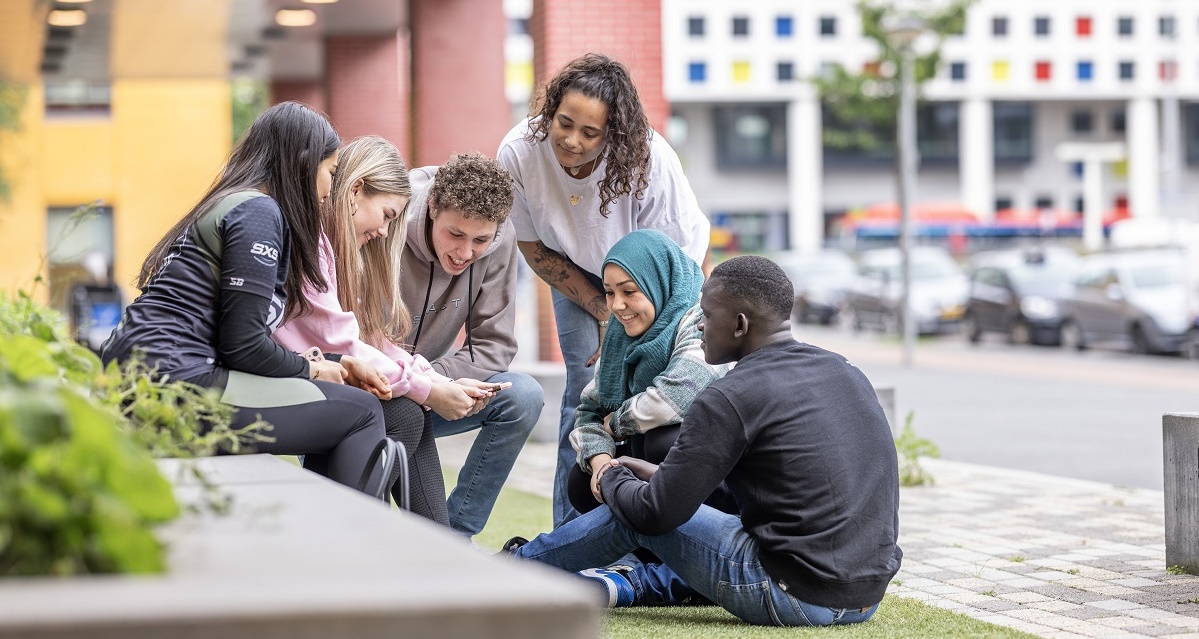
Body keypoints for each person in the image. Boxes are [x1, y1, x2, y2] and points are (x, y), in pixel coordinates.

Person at [506, 256, 902, 627]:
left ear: (740, 325)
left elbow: (653, 515)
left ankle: (507, 571)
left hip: (794, 594)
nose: (697, 326)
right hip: (866, 597)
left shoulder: (731, 395)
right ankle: (624, 583)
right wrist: (654, 476)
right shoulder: (844, 370)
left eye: (707, 316)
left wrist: (610, 474)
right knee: (653, 494)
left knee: (631, 512)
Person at [101, 102, 390, 494]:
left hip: (152, 375)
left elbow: (234, 338)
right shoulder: (258, 212)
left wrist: (334, 362)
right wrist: (313, 370)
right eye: (330, 173)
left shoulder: (238, 203)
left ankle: (318, 541)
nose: (328, 190)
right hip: (172, 383)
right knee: (361, 412)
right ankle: (337, 550)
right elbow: (242, 346)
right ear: (303, 163)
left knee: (339, 405)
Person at [497, 52, 710, 528]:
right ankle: (567, 532)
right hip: (573, 269)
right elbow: (535, 249)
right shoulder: (518, 151)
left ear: (613, 133)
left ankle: (656, 523)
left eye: (590, 133)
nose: (571, 140)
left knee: (654, 388)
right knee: (583, 391)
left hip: (659, 279)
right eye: (563, 123)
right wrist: (599, 306)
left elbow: (679, 265)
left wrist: (627, 313)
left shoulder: (650, 160)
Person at [271, 135, 457, 524]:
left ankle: (439, 551)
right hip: (280, 376)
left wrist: (426, 377)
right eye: (388, 215)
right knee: (403, 411)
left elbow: (366, 342)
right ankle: (342, 535)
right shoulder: (310, 242)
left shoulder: (334, 249)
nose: (387, 232)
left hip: (301, 374)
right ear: (356, 190)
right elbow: (340, 343)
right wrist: (427, 387)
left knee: (409, 411)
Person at [399, 152, 543, 538]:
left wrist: (436, 384)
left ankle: (457, 535)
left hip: (424, 388)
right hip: (368, 388)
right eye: (455, 234)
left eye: (481, 239)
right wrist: (424, 386)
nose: (465, 253)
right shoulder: (388, 219)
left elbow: (494, 347)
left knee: (523, 397)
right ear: (432, 208)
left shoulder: (501, 237)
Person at [566, 229, 729, 517]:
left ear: (660, 282)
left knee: (664, 443)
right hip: (650, 476)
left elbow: (674, 397)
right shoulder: (620, 336)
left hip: (717, 475)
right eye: (609, 292)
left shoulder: (701, 322)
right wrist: (601, 460)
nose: (616, 305)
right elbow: (588, 412)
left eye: (629, 291)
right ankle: (639, 554)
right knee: (583, 480)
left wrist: (614, 424)